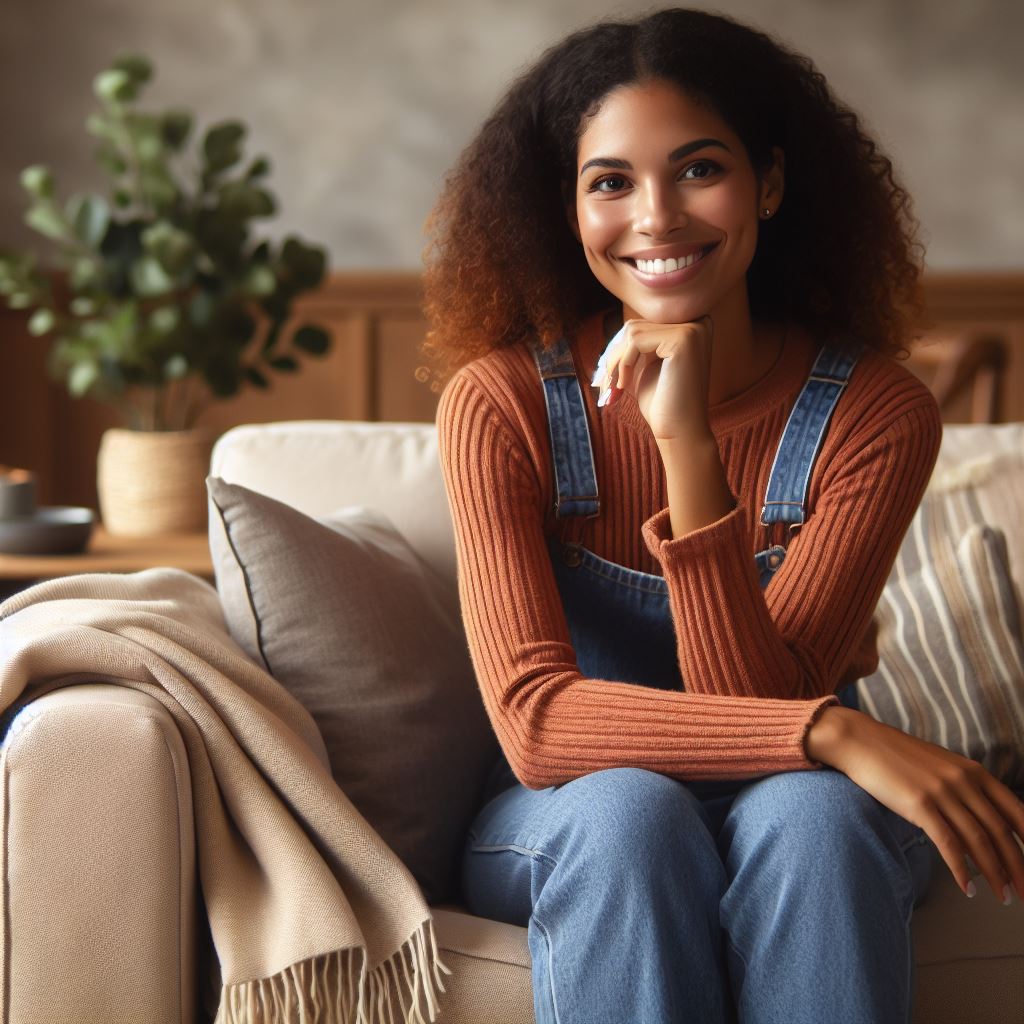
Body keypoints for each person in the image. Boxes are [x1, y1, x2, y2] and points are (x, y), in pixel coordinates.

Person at [422, 9, 1024, 1023]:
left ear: (770, 184)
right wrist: (831, 727)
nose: (654, 217)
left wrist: (687, 447)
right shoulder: (501, 403)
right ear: (568, 210)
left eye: (698, 169)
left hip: (801, 796)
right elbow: (536, 725)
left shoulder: (872, 412)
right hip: (575, 807)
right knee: (631, 809)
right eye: (609, 181)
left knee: (814, 819)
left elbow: (747, 693)